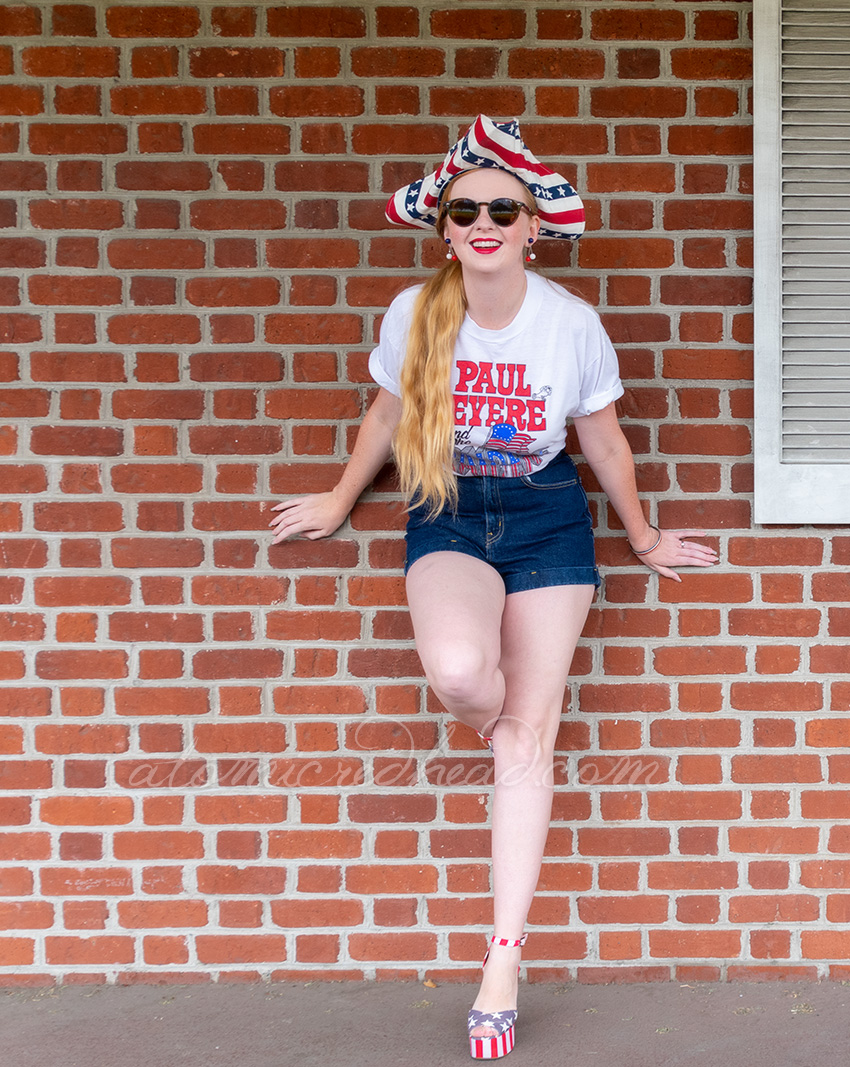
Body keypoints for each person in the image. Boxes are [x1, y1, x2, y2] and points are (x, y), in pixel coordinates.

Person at [268, 116, 716, 1060]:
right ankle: (512, 730)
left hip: (550, 518)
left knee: (527, 743)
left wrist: (642, 536)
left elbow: (603, 443)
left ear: (532, 227)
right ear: (443, 228)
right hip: (450, 510)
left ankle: (502, 960)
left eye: (500, 209)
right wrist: (343, 495)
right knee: (466, 675)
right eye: (463, 209)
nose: (482, 221)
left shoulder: (571, 324)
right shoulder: (416, 312)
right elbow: (388, 410)